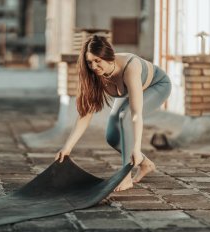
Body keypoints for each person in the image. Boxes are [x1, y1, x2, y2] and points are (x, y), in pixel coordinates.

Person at [54, 35, 172, 192]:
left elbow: (135, 114)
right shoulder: (95, 76)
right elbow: (85, 114)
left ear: (109, 58)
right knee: (112, 137)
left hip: (157, 86)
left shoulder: (130, 67)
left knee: (125, 116)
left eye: (98, 61)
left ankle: (125, 177)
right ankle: (145, 164)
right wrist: (67, 148)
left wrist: (136, 148)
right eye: (89, 62)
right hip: (133, 90)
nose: (94, 66)